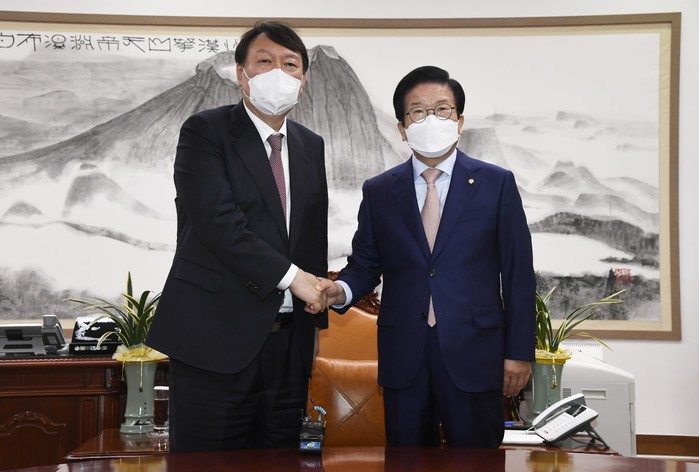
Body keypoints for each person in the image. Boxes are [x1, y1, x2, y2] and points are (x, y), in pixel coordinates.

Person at [318, 66, 535, 448]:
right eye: (418, 111)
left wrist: (518, 353)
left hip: (475, 353)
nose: (430, 119)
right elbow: (365, 264)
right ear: (402, 128)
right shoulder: (380, 191)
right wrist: (340, 291)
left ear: (459, 121)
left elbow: (518, 275)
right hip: (405, 356)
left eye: (442, 109)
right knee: (407, 461)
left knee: (476, 462)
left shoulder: (496, 183)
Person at [146, 21, 329, 453]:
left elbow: (310, 236)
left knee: (281, 461)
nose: (278, 73)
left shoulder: (311, 144)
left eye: (290, 64)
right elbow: (218, 223)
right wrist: (295, 278)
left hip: (288, 346)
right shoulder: (205, 131)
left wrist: (316, 310)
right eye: (265, 61)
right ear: (241, 74)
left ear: (303, 80)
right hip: (214, 341)